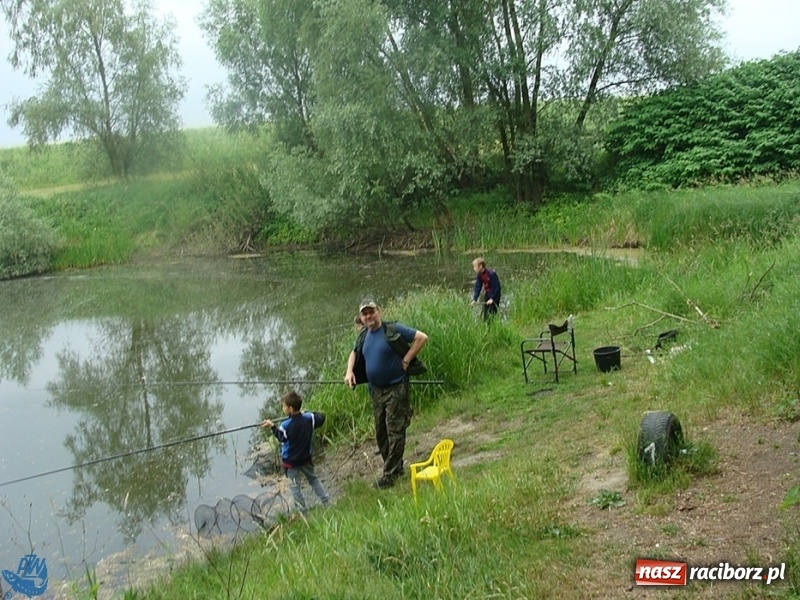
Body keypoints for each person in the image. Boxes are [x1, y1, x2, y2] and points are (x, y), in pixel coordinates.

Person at [343, 299, 428, 489]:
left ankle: (388, 476)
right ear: (362, 318)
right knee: (381, 432)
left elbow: (421, 337)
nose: (368, 316)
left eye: (371, 312)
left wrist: (406, 360)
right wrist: (349, 371)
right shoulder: (364, 335)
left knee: (395, 430)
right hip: (376, 391)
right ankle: (396, 468)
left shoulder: (392, 328)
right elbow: (354, 353)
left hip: (397, 388)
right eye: (364, 314)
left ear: (378, 311)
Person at [261, 391, 331, 513]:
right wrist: (307, 413)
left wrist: (272, 426)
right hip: (306, 459)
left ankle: (302, 511)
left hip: (291, 463)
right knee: (313, 480)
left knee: (295, 487)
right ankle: (326, 502)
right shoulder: (309, 419)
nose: (283, 409)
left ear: (291, 408)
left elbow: (281, 437)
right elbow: (321, 417)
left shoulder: (285, 425)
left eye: (284, 406)